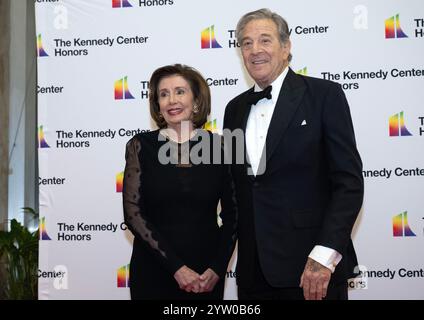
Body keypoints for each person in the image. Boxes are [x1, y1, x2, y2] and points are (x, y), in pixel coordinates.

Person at [223, 8, 364, 300]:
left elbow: (348, 184)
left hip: (311, 271)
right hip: (253, 273)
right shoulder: (233, 109)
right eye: (246, 43)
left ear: (286, 47)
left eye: (265, 40)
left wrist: (323, 257)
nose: (255, 50)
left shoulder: (324, 95)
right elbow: (236, 190)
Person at [123, 64, 237, 300]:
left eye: (180, 92)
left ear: (196, 101)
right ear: (157, 105)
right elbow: (133, 213)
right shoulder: (141, 146)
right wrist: (176, 268)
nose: (171, 100)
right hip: (154, 269)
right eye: (163, 94)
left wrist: (217, 268)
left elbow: (234, 215)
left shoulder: (221, 147)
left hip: (206, 274)